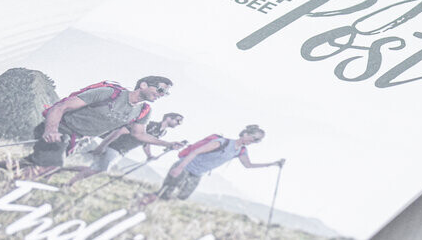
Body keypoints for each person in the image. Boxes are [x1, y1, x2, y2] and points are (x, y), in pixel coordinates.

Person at [19, 75, 173, 180]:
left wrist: (168, 144)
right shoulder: (109, 93)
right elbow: (60, 108)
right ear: (143, 85)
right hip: (60, 130)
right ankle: (9, 187)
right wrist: (51, 130)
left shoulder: (143, 111)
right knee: (49, 167)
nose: (161, 94)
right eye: (160, 90)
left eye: (165, 93)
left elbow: (140, 135)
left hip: (76, 140)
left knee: (31, 163)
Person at [135, 124, 284, 207]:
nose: (254, 141)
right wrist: (179, 168)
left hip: (197, 173)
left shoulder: (241, 150)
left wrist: (272, 164)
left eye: (258, 141)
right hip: (186, 166)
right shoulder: (222, 142)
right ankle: (142, 202)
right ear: (245, 133)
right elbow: (196, 152)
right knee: (167, 192)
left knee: (182, 196)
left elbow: (248, 165)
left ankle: (151, 203)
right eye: (254, 137)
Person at [63, 112, 186, 187]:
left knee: (94, 168)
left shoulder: (162, 133)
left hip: (123, 150)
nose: (179, 123)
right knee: (100, 169)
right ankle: (69, 183)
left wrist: (149, 155)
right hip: (117, 146)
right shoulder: (150, 124)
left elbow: (145, 142)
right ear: (169, 118)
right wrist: (103, 146)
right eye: (178, 120)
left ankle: (59, 171)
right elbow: (122, 131)